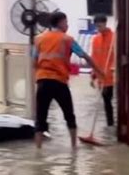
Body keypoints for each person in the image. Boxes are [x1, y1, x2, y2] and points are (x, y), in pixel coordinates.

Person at [34, 12, 104, 149]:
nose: (67, 25)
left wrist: (37, 79)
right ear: (60, 23)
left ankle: (38, 150)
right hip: (59, 82)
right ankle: (74, 149)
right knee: (69, 115)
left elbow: (33, 61)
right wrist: (100, 72)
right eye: (66, 22)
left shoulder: (38, 39)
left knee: (40, 118)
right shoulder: (67, 40)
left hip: (42, 82)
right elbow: (84, 56)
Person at [90, 14, 115, 127]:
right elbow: (94, 58)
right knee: (106, 101)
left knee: (108, 98)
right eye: (96, 26)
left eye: (100, 26)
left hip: (112, 75)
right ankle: (110, 125)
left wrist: (113, 70)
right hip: (101, 75)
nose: (98, 28)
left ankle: (113, 125)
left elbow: (116, 57)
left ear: (105, 23)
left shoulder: (114, 37)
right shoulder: (95, 40)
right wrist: (93, 75)